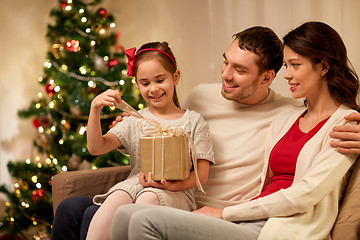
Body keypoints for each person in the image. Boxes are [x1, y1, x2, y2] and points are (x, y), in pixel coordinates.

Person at [50, 26, 360, 240]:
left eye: (239, 70)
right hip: (170, 194)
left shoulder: (284, 116)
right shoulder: (201, 97)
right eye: (226, 62)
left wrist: (225, 212)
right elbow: (169, 126)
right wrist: (128, 128)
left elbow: (322, 144)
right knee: (72, 209)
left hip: (215, 208)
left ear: (267, 77)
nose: (225, 75)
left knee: (133, 215)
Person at [70, 42, 215, 240]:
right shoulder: (135, 120)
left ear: (176, 77)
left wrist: (172, 186)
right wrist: (95, 109)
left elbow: (202, 174)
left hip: (176, 193)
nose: (153, 89)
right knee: (115, 199)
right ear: (137, 84)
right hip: (136, 184)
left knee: (147, 198)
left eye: (160, 80)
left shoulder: (193, 121)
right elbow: (96, 148)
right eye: (145, 83)